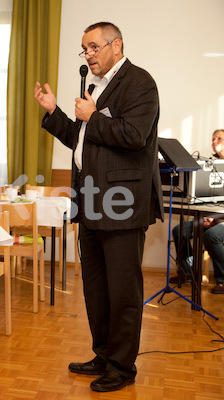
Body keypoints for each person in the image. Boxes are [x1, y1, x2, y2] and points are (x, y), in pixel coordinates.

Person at [34, 22, 162, 392]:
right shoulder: (96, 88)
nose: (88, 55)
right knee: (96, 288)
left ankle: (122, 367)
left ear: (116, 45)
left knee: (122, 291)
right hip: (90, 201)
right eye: (84, 49)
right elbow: (81, 140)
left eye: (93, 47)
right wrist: (55, 111)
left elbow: (135, 136)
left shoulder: (140, 83)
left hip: (121, 204)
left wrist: (94, 116)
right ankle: (104, 355)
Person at [170, 129, 224, 294]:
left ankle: (222, 280)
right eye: (213, 139)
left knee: (212, 235)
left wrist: (215, 219)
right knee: (180, 230)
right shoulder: (210, 166)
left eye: (219, 138)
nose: (214, 142)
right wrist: (209, 217)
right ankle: (187, 272)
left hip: (220, 220)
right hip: (213, 217)